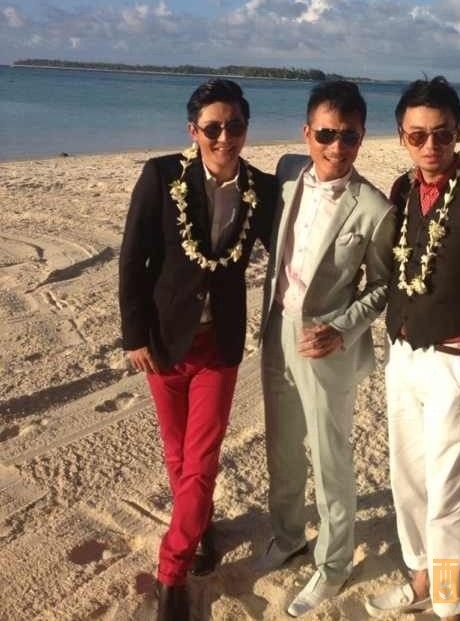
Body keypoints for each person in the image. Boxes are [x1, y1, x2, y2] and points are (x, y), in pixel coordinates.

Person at [119, 79, 275, 621]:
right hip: (164, 341)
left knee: (202, 459)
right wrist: (134, 335)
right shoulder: (161, 176)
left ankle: (172, 573)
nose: (224, 137)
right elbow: (133, 259)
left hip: (218, 346)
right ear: (193, 131)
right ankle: (200, 524)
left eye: (235, 126)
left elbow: (290, 246)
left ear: (246, 128)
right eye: (213, 127)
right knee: (177, 454)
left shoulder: (260, 188)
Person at [365, 76, 460, 620]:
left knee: (448, 485)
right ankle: (420, 577)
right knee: (406, 476)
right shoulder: (401, 191)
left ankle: (451, 604)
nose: (431, 146)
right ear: (402, 137)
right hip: (402, 356)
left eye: (442, 134)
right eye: (418, 135)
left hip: (452, 361)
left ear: (459, 133)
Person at [255, 80, 396, 617]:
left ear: (362, 137)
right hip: (277, 329)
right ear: (306, 133)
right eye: (326, 134)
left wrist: (341, 327)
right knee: (283, 447)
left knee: (330, 457)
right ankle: (289, 535)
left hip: (325, 343)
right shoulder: (288, 172)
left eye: (350, 137)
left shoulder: (374, 208)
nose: (337, 147)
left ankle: (334, 564)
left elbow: (382, 286)